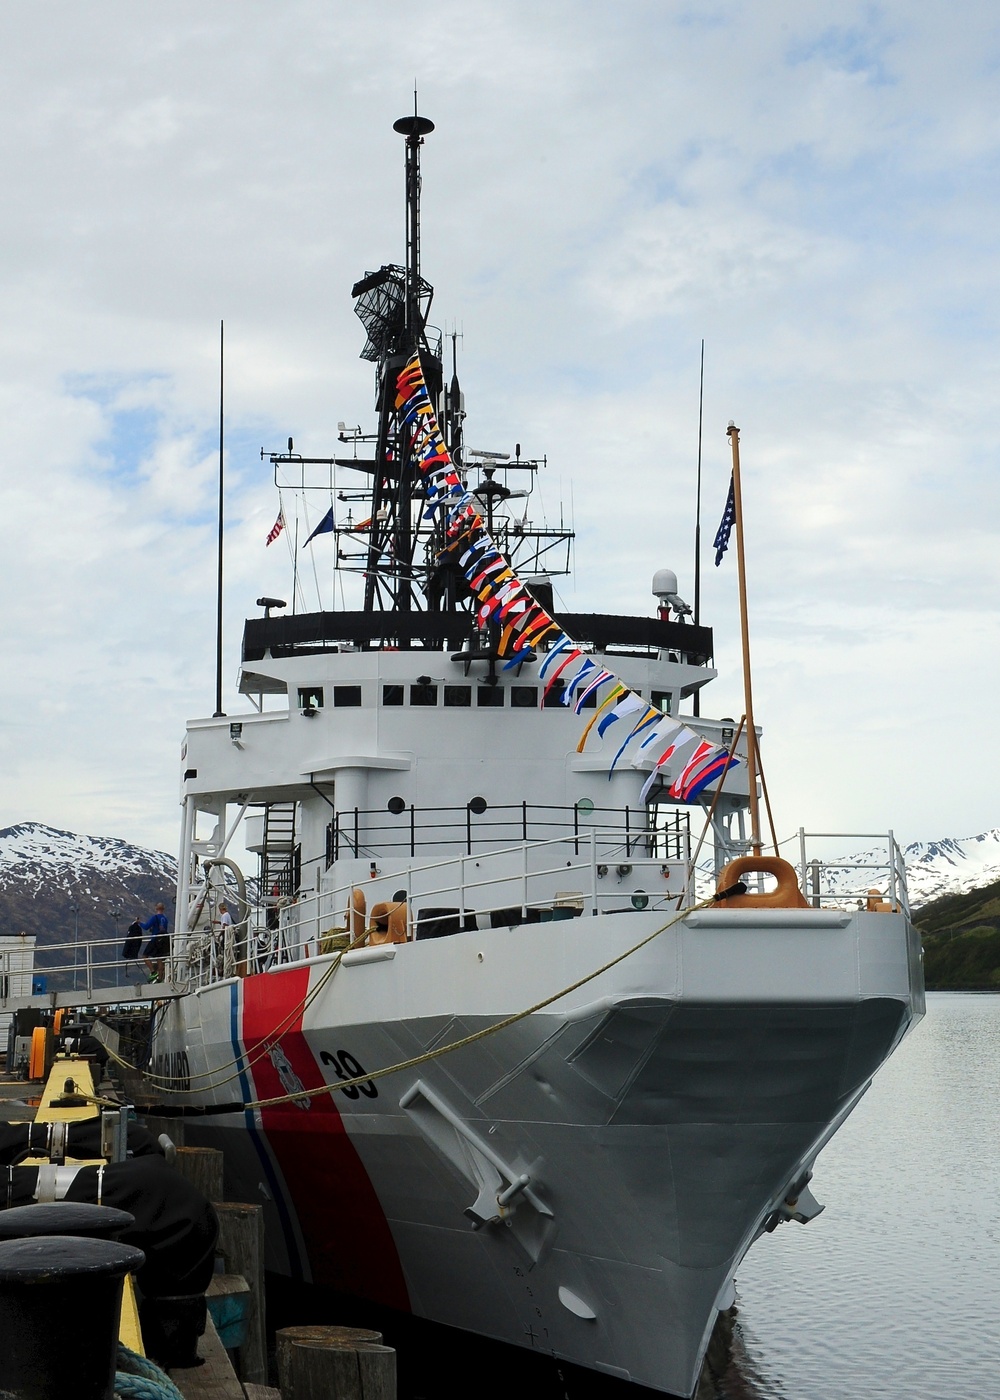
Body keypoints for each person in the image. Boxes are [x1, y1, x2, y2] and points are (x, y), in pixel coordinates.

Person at [141, 903, 170, 983]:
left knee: (145, 955)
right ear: (163, 909)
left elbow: (146, 926)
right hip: (164, 941)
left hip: (155, 939)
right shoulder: (165, 919)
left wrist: (139, 922)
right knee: (160, 958)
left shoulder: (155, 917)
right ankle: (160, 978)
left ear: (156, 908)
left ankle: (153, 972)